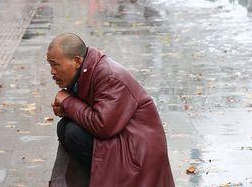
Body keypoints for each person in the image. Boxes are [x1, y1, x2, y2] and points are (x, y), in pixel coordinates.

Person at [47, 33, 175, 186]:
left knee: (73, 133)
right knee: (64, 127)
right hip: (123, 136)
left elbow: (103, 125)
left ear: (77, 61)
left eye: (55, 64)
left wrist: (68, 102)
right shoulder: (87, 70)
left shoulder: (110, 77)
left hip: (138, 152)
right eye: (50, 65)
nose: (52, 72)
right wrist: (67, 109)